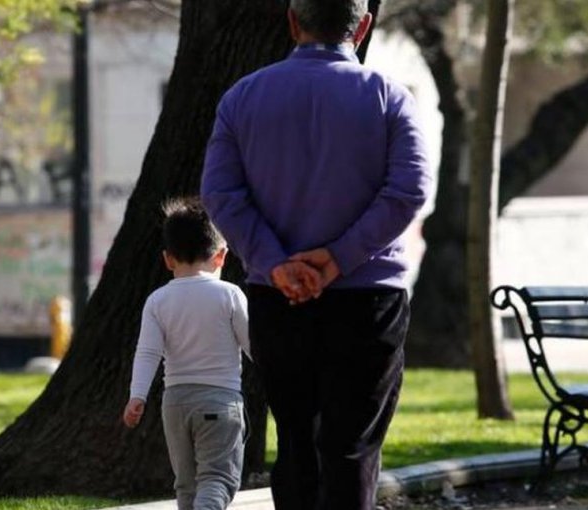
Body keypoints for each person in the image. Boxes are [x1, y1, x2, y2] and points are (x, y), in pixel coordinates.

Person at [200, 0, 432, 508]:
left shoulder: (243, 97)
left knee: (297, 444)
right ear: (363, 26)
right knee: (351, 447)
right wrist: (337, 259)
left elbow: (221, 194)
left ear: (292, 21)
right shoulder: (389, 97)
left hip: (277, 297)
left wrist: (276, 261)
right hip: (368, 298)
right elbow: (408, 191)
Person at [123, 198, 250, 510]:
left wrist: (137, 395)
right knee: (218, 479)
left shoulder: (157, 301)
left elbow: (148, 352)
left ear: (168, 259)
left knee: (187, 485)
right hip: (220, 401)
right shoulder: (230, 295)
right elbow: (254, 345)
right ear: (221, 256)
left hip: (175, 403)